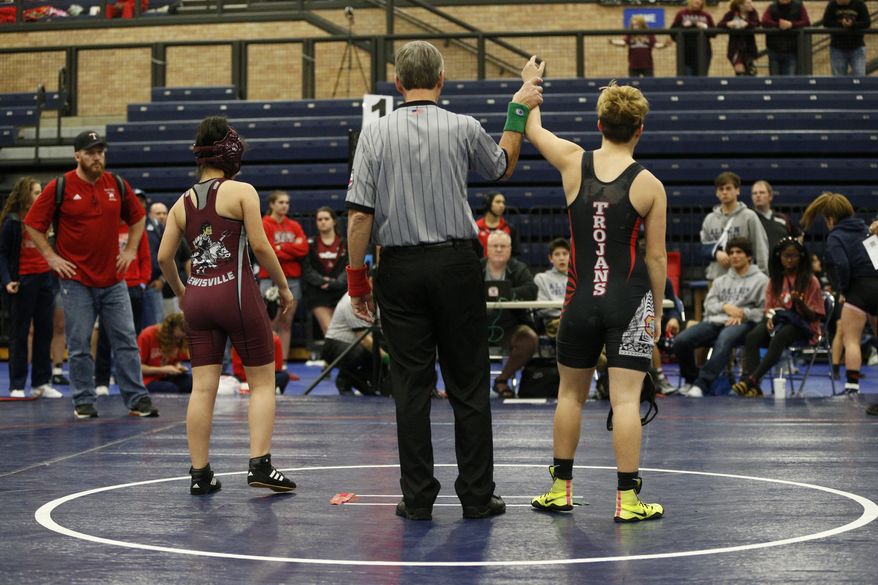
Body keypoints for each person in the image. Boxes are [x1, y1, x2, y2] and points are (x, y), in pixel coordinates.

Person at [345, 41, 544, 520]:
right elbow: (502, 166)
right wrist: (518, 106)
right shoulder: (462, 126)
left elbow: (358, 218)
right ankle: (477, 496)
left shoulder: (374, 134)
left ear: (397, 84)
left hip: (400, 268)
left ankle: (417, 499)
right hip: (456, 266)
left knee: (411, 387)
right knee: (469, 383)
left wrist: (357, 281)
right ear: (441, 81)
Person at [524, 79, 667, 522]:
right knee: (625, 401)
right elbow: (656, 257)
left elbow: (531, 127)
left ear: (599, 123)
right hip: (629, 302)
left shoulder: (572, 162)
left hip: (580, 300)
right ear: (639, 129)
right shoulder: (650, 185)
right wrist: (657, 313)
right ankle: (627, 502)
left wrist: (528, 89)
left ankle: (560, 490)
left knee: (571, 395)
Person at [158, 115, 296, 495]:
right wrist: (283, 289)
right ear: (228, 150)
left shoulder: (181, 203)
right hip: (236, 293)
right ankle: (260, 466)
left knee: (203, 388)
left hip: (198, 297)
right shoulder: (241, 192)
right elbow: (262, 246)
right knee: (262, 382)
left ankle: (200, 475)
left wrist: (184, 292)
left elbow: (163, 257)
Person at [23, 130, 158, 419]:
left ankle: (137, 398)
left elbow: (138, 217)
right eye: (91, 152)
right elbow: (33, 223)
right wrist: (51, 257)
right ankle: (84, 399)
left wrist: (131, 250)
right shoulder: (61, 186)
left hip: (113, 279)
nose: (98, 157)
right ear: (78, 155)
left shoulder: (116, 184)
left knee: (126, 340)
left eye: (101, 152)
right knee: (80, 342)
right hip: (76, 280)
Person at [801, 193, 878, 398]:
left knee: (851, 339)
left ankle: (852, 388)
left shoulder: (836, 236)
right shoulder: (866, 230)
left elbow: (843, 265)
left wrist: (843, 290)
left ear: (830, 219)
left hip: (857, 290)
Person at [674, 237, 769, 397]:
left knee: (724, 340)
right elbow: (709, 305)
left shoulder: (762, 280)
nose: (734, 256)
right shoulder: (720, 280)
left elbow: (764, 310)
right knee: (681, 341)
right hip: (717, 321)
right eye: (731, 252)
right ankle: (692, 379)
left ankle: (702, 384)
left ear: (749, 257)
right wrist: (725, 307)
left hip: (744, 324)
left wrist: (743, 313)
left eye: (739, 252)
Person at [733, 238, 825, 397]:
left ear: (801, 257)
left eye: (794, 256)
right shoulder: (775, 280)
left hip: (804, 327)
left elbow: (813, 317)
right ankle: (756, 388)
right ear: (779, 257)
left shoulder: (811, 280)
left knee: (779, 338)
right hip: (778, 321)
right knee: (753, 336)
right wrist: (769, 318)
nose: (789, 260)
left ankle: (751, 379)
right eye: (786, 256)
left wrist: (800, 303)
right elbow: (769, 308)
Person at [0, 177, 63, 399]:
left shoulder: (45, 220)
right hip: (22, 282)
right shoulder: (12, 222)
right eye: (36, 192)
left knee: (45, 332)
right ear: (25, 195)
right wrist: (7, 279)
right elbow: (3, 254)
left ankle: (41, 382)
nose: (40, 195)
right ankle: (17, 384)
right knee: (19, 333)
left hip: (45, 280)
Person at [94, 209, 152, 396]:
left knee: (131, 337)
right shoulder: (105, 229)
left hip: (134, 287)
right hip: (111, 285)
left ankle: (127, 378)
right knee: (105, 335)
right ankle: (102, 379)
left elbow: (145, 256)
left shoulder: (135, 229)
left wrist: (143, 282)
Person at [482, 230, 538, 398]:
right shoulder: (476, 267)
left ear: (510, 248)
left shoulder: (518, 268)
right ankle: (471, 385)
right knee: (454, 339)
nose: (499, 249)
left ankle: (502, 380)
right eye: (495, 246)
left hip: (510, 327)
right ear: (487, 248)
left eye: (503, 246)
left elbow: (531, 290)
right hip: (478, 327)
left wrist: (506, 293)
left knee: (529, 339)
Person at [258, 190, 308, 364]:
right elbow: (267, 250)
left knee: (286, 323)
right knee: (270, 322)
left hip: (292, 279)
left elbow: (304, 250)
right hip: (269, 279)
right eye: (281, 202)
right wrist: (290, 247)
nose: (285, 205)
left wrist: (281, 248)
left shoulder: (294, 225)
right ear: (271, 204)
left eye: (287, 202)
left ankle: (283, 362)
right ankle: (269, 362)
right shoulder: (264, 224)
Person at [700, 171, 769, 281]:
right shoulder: (710, 219)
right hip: (717, 278)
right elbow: (704, 247)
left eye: (728, 188)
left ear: (737, 190)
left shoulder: (749, 216)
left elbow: (760, 248)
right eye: (721, 189)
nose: (724, 192)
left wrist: (763, 275)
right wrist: (716, 253)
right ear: (716, 193)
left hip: (745, 278)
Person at [322, 289, 389, 396]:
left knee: (383, 348)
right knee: (362, 352)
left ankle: (372, 384)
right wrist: (386, 357)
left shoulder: (377, 298)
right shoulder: (351, 300)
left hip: (358, 343)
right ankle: (344, 380)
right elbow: (364, 339)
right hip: (336, 344)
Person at [302, 206, 347, 335]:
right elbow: (307, 269)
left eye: (326, 218)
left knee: (343, 330)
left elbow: (350, 267)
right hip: (318, 293)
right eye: (319, 219)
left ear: (334, 221)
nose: (323, 222)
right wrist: (323, 281)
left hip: (340, 290)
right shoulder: (310, 244)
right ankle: (334, 355)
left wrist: (336, 283)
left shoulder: (345, 244)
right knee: (330, 330)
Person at [138, 312, 192, 393]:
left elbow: (175, 361)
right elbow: (138, 367)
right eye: (183, 330)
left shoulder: (180, 338)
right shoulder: (147, 335)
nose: (184, 335)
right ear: (173, 327)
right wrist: (162, 370)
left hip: (166, 376)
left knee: (192, 383)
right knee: (171, 389)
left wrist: (178, 367)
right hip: (147, 379)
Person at [750, 179, 802, 253]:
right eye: (754, 193)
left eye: (762, 192)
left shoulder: (782, 218)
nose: (758, 195)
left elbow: (799, 236)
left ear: (770, 196)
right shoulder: (749, 218)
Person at [822, 0, 870, 77]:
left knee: (860, 77)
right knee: (838, 79)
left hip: (857, 47)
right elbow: (826, 22)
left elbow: (866, 22)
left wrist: (853, 24)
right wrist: (841, 24)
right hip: (837, 47)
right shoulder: (832, 5)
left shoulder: (859, 4)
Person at [761, 0, 810, 76]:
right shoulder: (772, 7)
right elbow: (764, 21)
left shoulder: (799, 6)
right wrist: (778, 24)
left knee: (790, 82)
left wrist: (791, 25)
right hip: (774, 50)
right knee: (774, 82)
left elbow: (806, 22)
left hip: (791, 51)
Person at [533, 237, 570, 336]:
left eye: (565, 253)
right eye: (557, 254)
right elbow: (540, 308)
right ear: (551, 258)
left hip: (577, 320)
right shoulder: (541, 278)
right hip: (553, 323)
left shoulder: (579, 279)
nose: (561, 258)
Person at [670, 0, 716, 76]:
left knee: (701, 79)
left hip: (703, 52)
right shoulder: (681, 14)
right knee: (686, 78)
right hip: (685, 53)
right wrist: (682, 27)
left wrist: (705, 27)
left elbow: (714, 33)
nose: (697, 1)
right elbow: (672, 32)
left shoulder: (706, 15)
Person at [718, 0, 760, 76]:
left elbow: (757, 23)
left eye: (751, 2)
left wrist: (747, 24)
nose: (751, 4)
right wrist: (728, 24)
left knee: (750, 71)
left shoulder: (753, 13)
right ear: (740, 5)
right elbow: (720, 24)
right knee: (740, 70)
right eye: (748, 3)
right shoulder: (731, 14)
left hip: (749, 47)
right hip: (735, 47)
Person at [143, 199, 166, 328]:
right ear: (150, 214)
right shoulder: (138, 227)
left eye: (164, 213)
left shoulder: (163, 230)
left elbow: (170, 256)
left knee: (156, 326)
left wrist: (163, 279)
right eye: (158, 213)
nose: (162, 216)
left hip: (154, 285)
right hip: (135, 284)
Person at [475, 191, 519, 257]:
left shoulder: (510, 228)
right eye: (498, 202)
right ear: (488, 204)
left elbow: (514, 254)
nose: (502, 205)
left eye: (503, 203)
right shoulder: (475, 228)